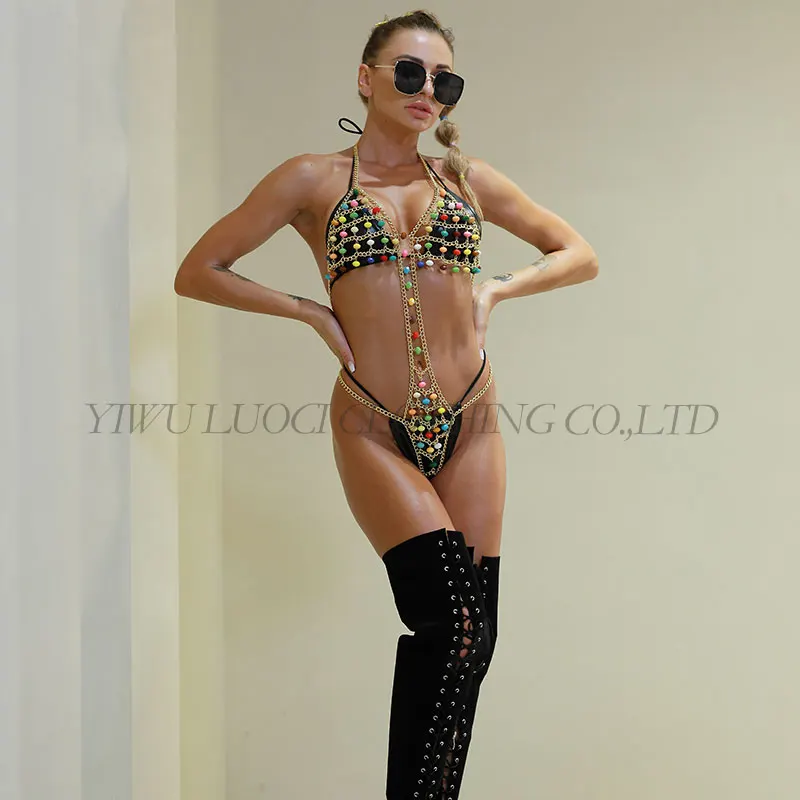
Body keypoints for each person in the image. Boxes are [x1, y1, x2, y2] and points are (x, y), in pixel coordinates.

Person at [174, 8, 598, 798]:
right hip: (373, 422)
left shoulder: (466, 181)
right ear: (365, 79)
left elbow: (578, 253)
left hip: (472, 420)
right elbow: (200, 270)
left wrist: (498, 289)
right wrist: (308, 311)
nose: (426, 90)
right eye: (409, 72)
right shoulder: (312, 179)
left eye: (444, 81)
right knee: (451, 622)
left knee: (475, 637)